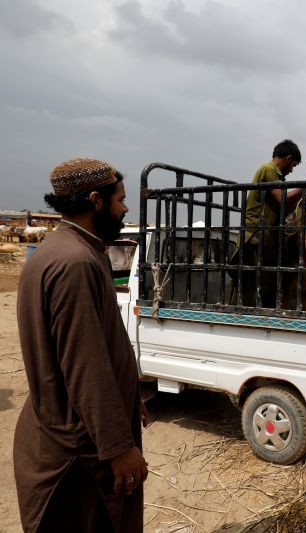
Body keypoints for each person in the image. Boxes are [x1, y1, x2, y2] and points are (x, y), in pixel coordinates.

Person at [15, 158, 149, 531]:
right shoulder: (74, 263)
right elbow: (85, 367)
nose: (124, 210)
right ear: (95, 200)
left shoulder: (76, 249)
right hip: (80, 455)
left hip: (83, 441)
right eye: (120, 200)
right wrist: (119, 448)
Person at [233, 139, 306, 307]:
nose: (291, 170)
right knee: (256, 285)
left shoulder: (276, 177)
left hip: (265, 237)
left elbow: (284, 207)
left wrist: (303, 198)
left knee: (275, 279)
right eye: (293, 165)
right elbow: (282, 200)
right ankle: (252, 317)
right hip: (256, 237)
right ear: (288, 158)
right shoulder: (269, 170)